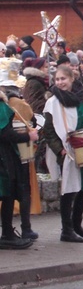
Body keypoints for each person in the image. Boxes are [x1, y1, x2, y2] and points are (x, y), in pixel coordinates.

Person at [43, 65, 83, 242]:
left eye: (63, 79)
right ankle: (66, 230)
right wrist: (59, 150)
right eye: (57, 79)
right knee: (69, 189)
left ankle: (77, 224)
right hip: (66, 151)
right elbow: (49, 131)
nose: (60, 82)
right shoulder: (52, 103)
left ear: (71, 79)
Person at [0, 89, 39, 249]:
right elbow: (5, 133)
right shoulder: (2, 106)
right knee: (8, 193)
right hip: (3, 157)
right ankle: (7, 235)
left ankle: (8, 233)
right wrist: (27, 137)